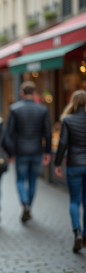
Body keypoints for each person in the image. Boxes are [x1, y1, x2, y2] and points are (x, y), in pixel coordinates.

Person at [6, 81, 51, 223]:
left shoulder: (14, 109)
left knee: (20, 180)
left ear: (21, 93)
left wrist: (10, 153)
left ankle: (25, 203)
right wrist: (48, 152)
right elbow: (48, 133)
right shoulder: (43, 109)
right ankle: (29, 207)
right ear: (35, 93)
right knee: (32, 180)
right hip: (37, 151)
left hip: (20, 151)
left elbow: (9, 134)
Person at [54, 90, 86, 253]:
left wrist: (57, 163)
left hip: (73, 164)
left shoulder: (67, 119)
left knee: (74, 200)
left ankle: (77, 231)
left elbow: (63, 143)